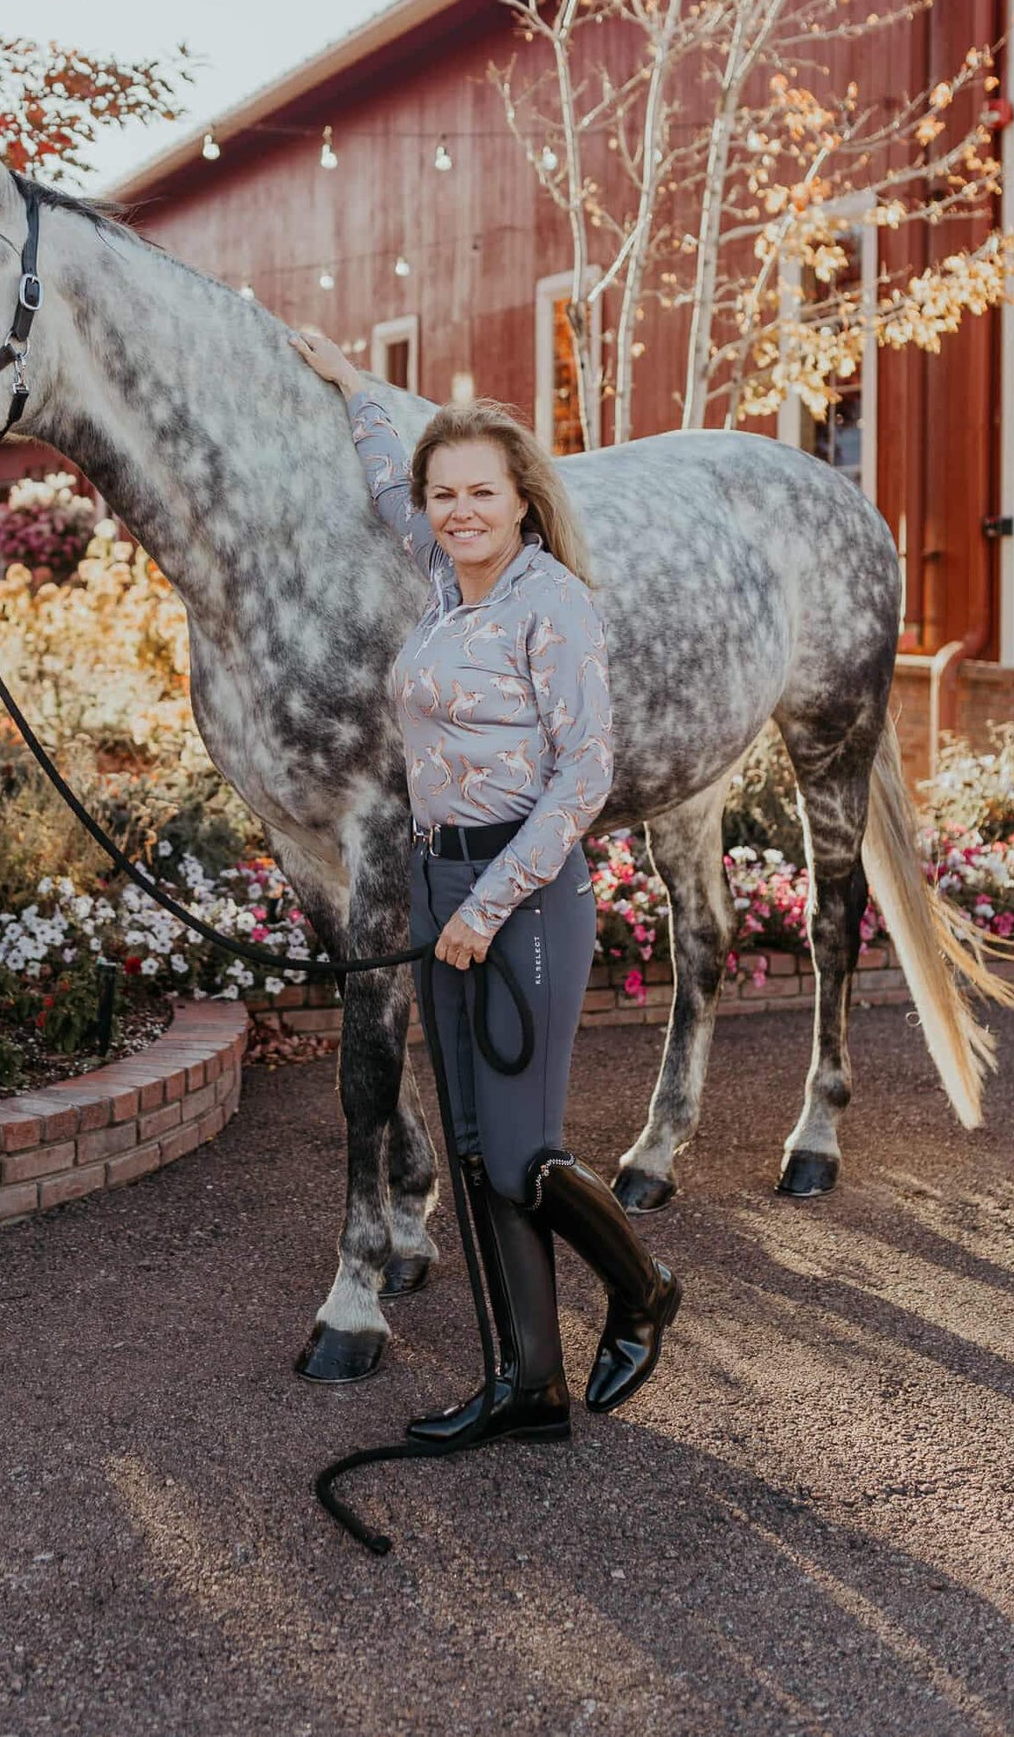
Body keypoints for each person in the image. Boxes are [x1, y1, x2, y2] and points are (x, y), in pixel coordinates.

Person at [288, 328, 682, 1447]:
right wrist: (357, 388)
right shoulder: (441, 581)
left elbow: (586, 770)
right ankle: (528, 1383)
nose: (457, 509)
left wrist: (482, 907)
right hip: (440, 882)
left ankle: (642, 1288)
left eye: (480, 492)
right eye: (442, 492)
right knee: (470, 1147)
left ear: (521, 500)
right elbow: (382, 485)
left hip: (523, 895)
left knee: (519, 1150)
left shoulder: (546, 601)